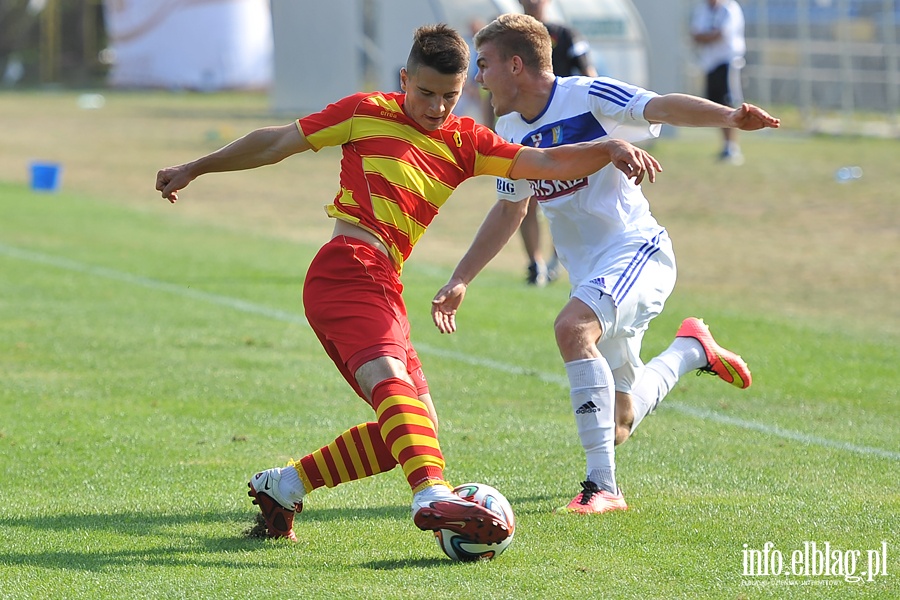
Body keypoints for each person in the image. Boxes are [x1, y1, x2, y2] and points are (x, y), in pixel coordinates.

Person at [155, 24, 660, 542]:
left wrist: (609, 147)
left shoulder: (466, 142)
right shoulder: (365, 111)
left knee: (416, 424)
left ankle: (284, 485)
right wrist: (197, 167)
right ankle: (431, 492)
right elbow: (277, 142)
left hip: (384, 282)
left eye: (450, 96)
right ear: (404, 79)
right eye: (425, 93)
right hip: (347, 268)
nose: (437, 107)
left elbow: (548, 162)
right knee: (393, 386)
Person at [431, 14, 779, 514]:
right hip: (592, 275)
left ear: (515, 65)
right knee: (617, 424)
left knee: (572, 328)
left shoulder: (588, 94)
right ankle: (689, 349)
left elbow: (659, 105)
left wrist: (729, 117)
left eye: (483, 65)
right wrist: (461, 277)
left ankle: (603, 489)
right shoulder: (508, 128)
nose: (478, 78)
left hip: (637, 252)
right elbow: (511, 208)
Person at [518, 0, 598, 286]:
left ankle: (556, 260)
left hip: (562, 130)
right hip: (527, 127)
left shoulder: (565, 34)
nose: (531, 3)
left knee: (560, 195)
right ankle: (534, 264)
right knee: (521, 197)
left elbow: (589, 73)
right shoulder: (510, 38)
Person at [690, 0, 747, 164]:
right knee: (715, 104)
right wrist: (708, 36)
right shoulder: (702, 9)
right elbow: (695, 34)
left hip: (727, 61)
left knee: (728, 102)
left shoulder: (729, 8)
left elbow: (721, 34)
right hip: (709, 63)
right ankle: (725, 145)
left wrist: (705, 36)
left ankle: (733, 147)